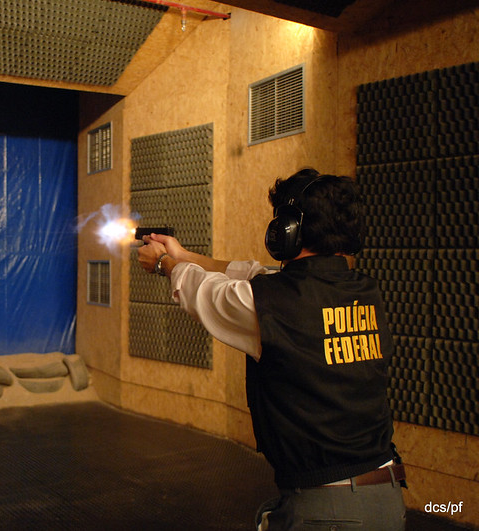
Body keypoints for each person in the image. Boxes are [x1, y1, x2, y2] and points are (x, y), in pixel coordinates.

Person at [138, 168, 405, 530]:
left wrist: (163, 264)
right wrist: (184, 254)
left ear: (288, 230)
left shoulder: (272, 305)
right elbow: (256, 276)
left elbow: (208, 292)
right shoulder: (363, 290)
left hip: (327, 508)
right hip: (386, 497)